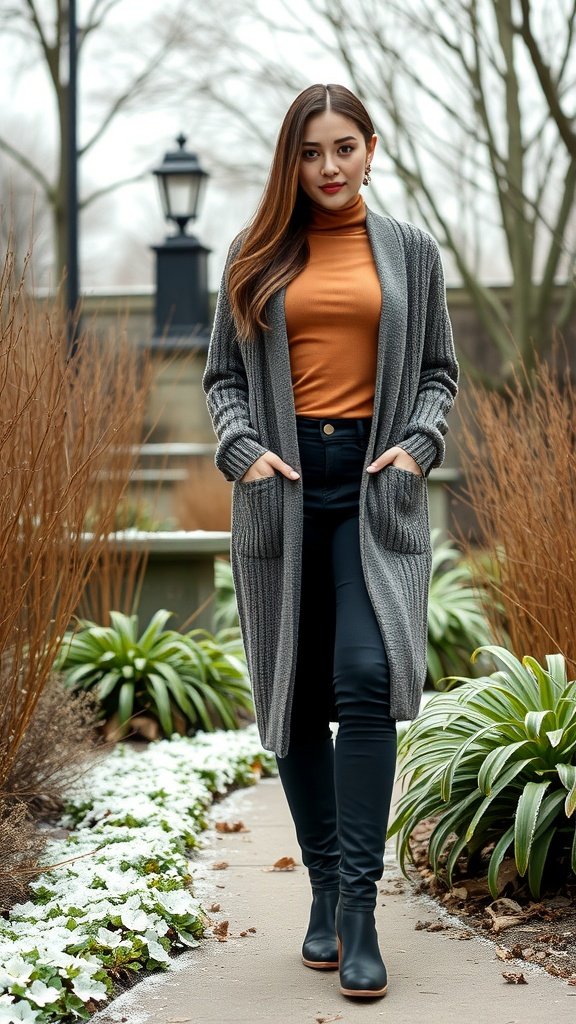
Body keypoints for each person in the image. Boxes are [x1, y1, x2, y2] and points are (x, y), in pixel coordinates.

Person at [202, 82, 458, 1000]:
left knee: (364, 677)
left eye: (343, 148)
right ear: (291, 161)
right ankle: (321, 892)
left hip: (373, 487)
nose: (328, 169)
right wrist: (245, 451)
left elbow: (438, 371)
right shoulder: (254, 253)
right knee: (299, 693)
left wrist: (418, 446)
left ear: (371, 148)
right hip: (282, 488)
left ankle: (358, 910)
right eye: (311, 154)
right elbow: (223, 380)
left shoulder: (411, 254)